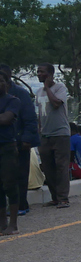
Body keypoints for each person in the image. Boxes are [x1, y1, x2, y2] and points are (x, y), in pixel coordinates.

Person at [0, 65, 38, 216]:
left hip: (19, 140)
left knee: (20, 175)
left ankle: (21, 205)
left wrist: (27, 138)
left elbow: (30, 118)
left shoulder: (19, 94)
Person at [35, 62, 71, 209]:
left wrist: (48, 88)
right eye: (37, 72)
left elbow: (56, 103)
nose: (38, 74)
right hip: (45, 134)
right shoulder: (38, 92)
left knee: (61, 166)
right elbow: (38, 115)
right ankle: (54, 197)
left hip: (60, 133)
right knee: (48, 167)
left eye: (42, 72)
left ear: (50, 74)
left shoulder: (60, 88)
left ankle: (63, 198)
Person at [0, 73, 22, 236]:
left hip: (7, 147)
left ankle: (13, 223)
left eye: (0, 81)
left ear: (6, 83)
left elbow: (6, 119)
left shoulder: (13, 101)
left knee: (9, 184)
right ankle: (2, 223)